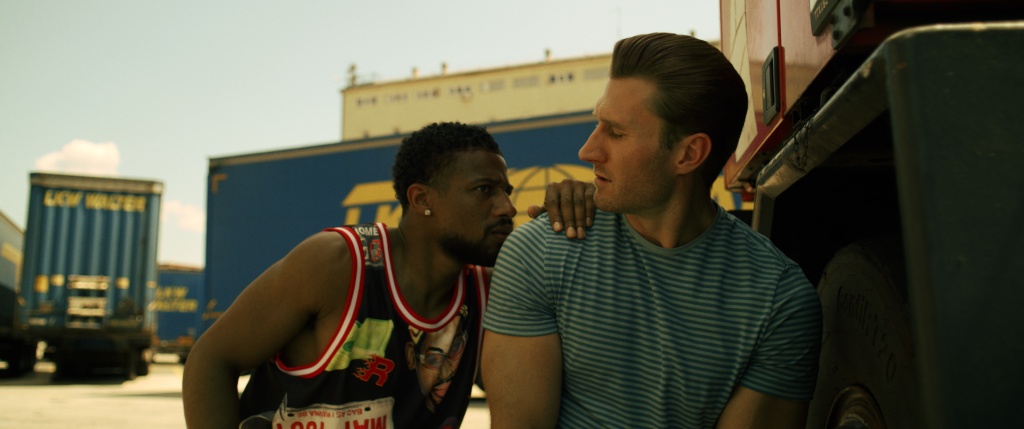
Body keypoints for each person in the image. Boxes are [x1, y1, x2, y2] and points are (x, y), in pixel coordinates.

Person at [481, 33, 823, 429]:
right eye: (598, 123)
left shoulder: (779, 300)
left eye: (616, 132)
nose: (588, 151)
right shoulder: (540, 254)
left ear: (688, 154)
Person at [182, 121, 593, 429]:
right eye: (485, 190)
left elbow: (553, 397)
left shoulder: (489, 293)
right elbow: (211, 360)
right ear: (422, 198)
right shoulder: (339, 263)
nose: (507, 207)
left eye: (507, 191)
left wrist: (577, 224)